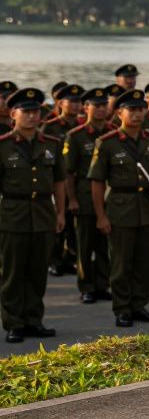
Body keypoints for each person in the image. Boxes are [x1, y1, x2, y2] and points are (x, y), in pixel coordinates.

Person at [88, 89, 149, 327]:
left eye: (140, 109)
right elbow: (97, 182)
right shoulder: (107, 143)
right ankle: (122, 308)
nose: (137, 114)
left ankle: (140, 305)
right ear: (120, 113)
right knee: (121, 263)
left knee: (144, 262)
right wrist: (101, 216)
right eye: (131, 110)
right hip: (120, 209)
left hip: (147, 209)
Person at [0, 88, 65, 344]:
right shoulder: (3, 146)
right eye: (26, 111)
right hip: (12, 215)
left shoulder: (51, 144)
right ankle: (14, 322)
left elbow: (59, 182)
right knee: (13, 272)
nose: (31, 116)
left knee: (38, 271)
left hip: (42, 214)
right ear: (13, 113)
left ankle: (34, 320)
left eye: (35, 111)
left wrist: (60, 212)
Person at [64, 88, 113, 304]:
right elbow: (69, 172)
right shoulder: (76, 136)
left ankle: (103, 284)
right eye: (96, 105)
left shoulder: (113, 132)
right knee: (85, 244)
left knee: (106, 244)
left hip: (110, 195)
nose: (101, 109)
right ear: (86, 108)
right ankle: (86, 286)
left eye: (104, 105)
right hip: (84, 195)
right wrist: (71, 199)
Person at [42, 84, 84, 277]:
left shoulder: (82, 126)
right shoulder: (51, 127)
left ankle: (70, 258)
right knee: (58, 222)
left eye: (78, 102)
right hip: (57, 180)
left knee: (74, 224)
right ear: (60, 103)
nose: (76, 106)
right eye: (71, 102)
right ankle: (54, 260)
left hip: (77, 182)